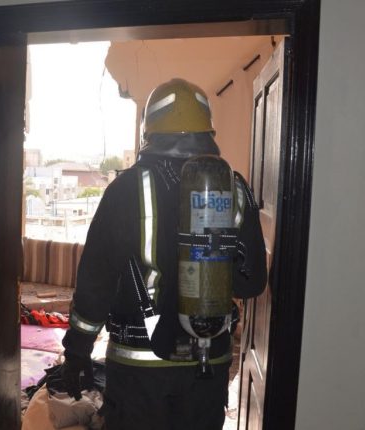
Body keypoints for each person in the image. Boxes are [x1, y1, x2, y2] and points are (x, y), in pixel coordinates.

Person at [58, 78, 267, 430]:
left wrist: (77, 351)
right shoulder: (232, 187)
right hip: (208, 362)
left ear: (150, 130)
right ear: (207, 130)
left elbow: (96, 283)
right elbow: (252, 283)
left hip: (139, 370)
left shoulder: (124, 190)